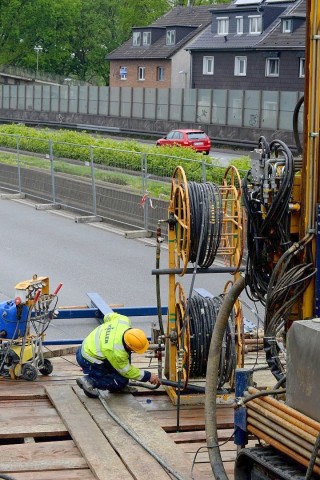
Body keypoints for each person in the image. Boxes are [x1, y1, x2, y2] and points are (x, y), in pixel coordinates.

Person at [76, 311, 161, 397]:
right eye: (134, 349)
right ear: (128, 345)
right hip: (88, 359)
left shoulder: (123, 320)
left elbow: (107, 317)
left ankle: (117, 388)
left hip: (86, 347)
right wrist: (148, 376)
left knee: (120, 373)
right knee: (119, 381)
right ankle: (89, 381)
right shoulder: (117, 352)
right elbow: (127, 371)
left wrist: (107, 332)